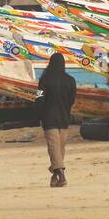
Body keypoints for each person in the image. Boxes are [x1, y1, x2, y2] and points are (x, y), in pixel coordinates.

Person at [37, 52, 77, 188]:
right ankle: (55, 177)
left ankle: (62, 175)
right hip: (65, 118)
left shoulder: (44, 80)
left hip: (49, 118)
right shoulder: (71, 80)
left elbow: (39, 99)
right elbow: (72, 100)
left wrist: (40, 114)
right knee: (59, 148)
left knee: (54, 148)